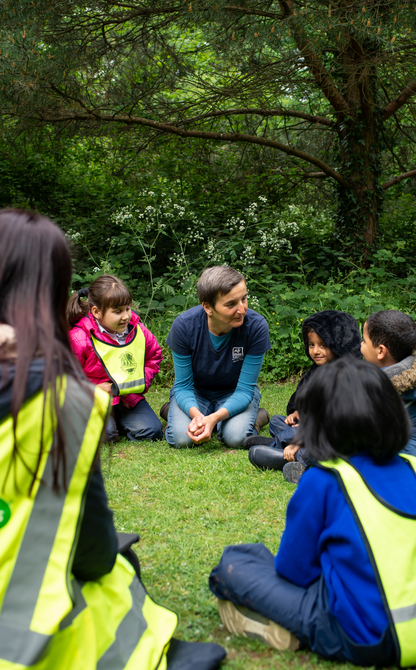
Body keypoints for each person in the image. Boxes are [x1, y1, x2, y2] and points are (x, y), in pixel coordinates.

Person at [0, 209, 226, 670]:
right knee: (120, 565)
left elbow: (156, 361)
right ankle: (143, 649)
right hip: (18, 630)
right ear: (52, 292)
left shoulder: (137, 333)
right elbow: (94, 553)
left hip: (131, 402)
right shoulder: (58, 398)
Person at [209, 358, 416, 667]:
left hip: (367, 638)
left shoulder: (324, 479)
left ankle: (285, 628)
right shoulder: (413, 468)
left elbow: (295, 572)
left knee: (235, 562)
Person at [245, 310, 361, 478]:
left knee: (318, 451)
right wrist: (298, 413)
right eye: (311, 345)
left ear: (339, 344)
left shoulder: (346, 378)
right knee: (277, 421)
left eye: (322, 345)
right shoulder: (316, 371)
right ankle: (283, 442)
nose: (315, 351)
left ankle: (286, 453)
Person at [164, 265, 271, 449]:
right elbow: (183, 386)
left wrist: (213, 418)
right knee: (181, 438)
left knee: (236, 438)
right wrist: (198, 416)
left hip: (235, 392)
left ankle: (256, 417)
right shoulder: (184, 326)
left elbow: (245, 390)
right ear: (207, 307)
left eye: (244, 299)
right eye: (231, 304)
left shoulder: (257, 326)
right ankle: (176, 414)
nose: (242, 309)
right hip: (195, 393)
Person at [67, 275, 163, 442]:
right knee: (107, 436)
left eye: (127, 308)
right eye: (117, 311)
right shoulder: (78, 338)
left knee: (151, 431)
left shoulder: (137, 330)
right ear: (96, 312)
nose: (126, 316)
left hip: (127, 398)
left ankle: (116, 422)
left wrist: (134, 382)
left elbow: (153, 358)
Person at [361, 309, 416, 483]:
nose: (360, 345)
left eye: (364, 341)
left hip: (415, 463)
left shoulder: (388, 388)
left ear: (380, 351)